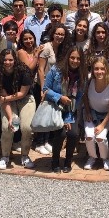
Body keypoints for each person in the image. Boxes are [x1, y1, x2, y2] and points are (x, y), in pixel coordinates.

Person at [44, 47, 86, 173]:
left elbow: (79, 97)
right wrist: (60, 97)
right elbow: (45, 89)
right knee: (61, 133)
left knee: (73, 134)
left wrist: (68, 116)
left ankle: (68, 161)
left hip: (71, 110)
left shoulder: (83, 75)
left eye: (78, 58)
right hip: (55, 108)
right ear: (68, 57)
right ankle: (55, 160)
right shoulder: (56, 70)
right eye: (72, 57)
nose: (75, 61)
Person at [0, 49, 36, 170]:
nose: (8, 62)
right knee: (7, 126)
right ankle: (5, 156)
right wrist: (11, 117)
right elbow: (3, 98)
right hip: (8, 101)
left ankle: (25, 155)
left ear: (15, 60)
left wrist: (4, 98)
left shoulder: (24, 71)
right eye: (5, 60)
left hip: (25, 99)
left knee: (27, 127)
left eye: (10, 59)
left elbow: (22, 93)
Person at [36, 23, 73, 155]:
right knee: (43, 112)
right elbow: (40, 69)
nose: (60, 36)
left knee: (52, 113)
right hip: (44, 85)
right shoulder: (46, 48)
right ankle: (40, 142)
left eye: (62, 34)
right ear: (53, 34)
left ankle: (47, 141)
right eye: (57, 33)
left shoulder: (62, 48)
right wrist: (42, 89)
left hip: (55, 87)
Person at [82, 57, 109, 171]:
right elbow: (85, 97)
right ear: (92, 70)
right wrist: (88, 111)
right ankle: (92, 157)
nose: (99, 72)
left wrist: (102, 125)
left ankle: (105, 158)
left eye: (102, 69)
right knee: (89, 136)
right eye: (96, 69)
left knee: (100, 138)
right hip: (91, 113)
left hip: (106, 116)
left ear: (107, 69)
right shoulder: (89, 81)